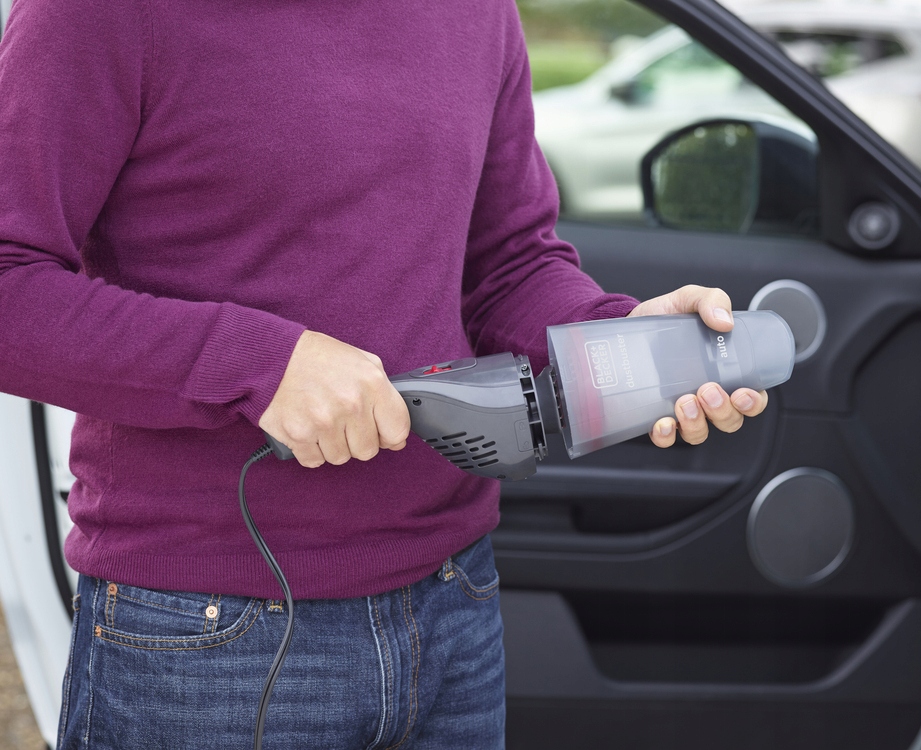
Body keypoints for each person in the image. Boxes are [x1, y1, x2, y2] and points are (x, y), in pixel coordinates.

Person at [0, 0, 768, 747]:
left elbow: (508, 264)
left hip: (454, 602)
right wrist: (255, 363)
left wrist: (618, 334)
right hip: (209, 636)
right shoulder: (98, 13)